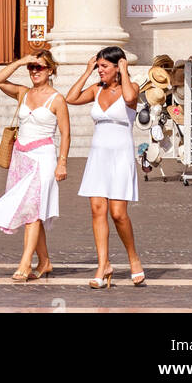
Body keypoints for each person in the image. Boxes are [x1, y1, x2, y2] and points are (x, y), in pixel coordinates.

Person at [0, 49, 70, 282]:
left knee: (33, 211)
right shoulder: (23, 93)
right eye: (32, 68)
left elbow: (66, 133)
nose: (34, 71)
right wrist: (21, 62)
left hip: (43, 158)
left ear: (50, 70)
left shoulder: (57, 99)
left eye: (39, 67)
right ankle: (45, 261)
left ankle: (25, 264)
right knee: (33, 211)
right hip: (21, 158)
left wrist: (62, 163)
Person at [66, 46, 144, 289]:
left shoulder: (131, 88)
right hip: (98, 157)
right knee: (97, 210)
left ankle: (133, 259)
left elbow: (130, 99)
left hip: (120, 156)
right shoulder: (95, 89)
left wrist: (124, 70)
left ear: (117, 66)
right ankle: (103, 265)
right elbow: (70, 98)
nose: (100, 70)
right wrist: (87, 70)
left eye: (104, 66)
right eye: (98, 66)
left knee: (118, 214)